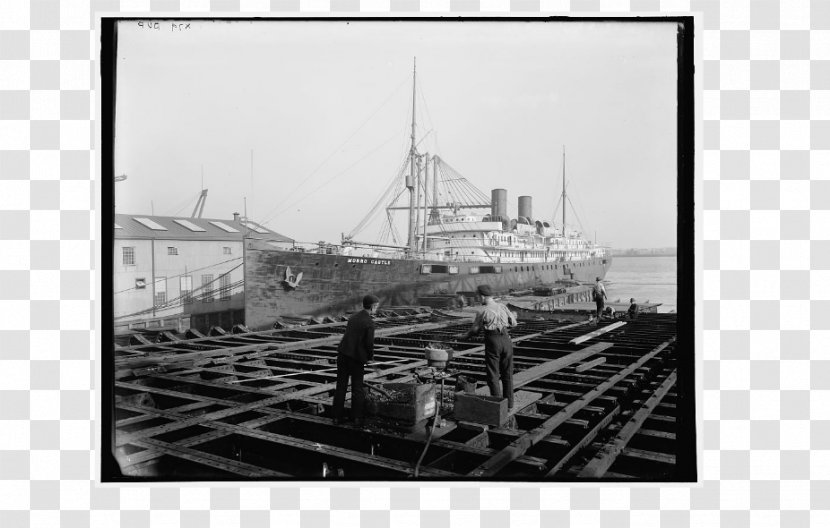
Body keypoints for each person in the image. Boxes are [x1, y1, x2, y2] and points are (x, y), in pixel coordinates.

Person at [457, 285, 518, 409]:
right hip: (506, 340)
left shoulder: (482, 311)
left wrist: (462, 337)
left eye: (478, 297)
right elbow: (514, 323)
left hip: (493, 342)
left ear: (482, 296)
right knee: (507, 374)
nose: (478, 299)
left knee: (493, 374)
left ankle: (497, 405)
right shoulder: (503, 306)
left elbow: (474, 331)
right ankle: (510, 404)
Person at [332, 294, 379, 427]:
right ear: (373, 306)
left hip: (342, 355)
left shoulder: (352, 318)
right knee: (357, 388)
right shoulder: (369, 323)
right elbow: (369, 344)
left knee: (340, 387)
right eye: (376, 306)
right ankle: (357, 418)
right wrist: (370, 358)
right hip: (356, 359)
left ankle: (336, 417)